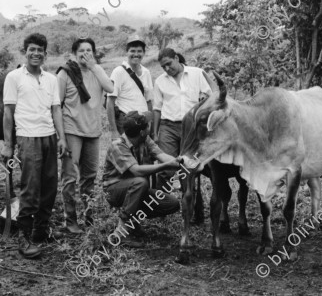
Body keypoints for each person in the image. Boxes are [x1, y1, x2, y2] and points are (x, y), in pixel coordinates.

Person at [1, 33, 68, 259]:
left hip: (49, 135)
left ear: (45, 53)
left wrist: (62, 138)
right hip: (27, 137)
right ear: (25, 51)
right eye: (32, 49)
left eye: (40, 50)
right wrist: (8, 145)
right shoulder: (14, 77)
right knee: (30, 187)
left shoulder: (51, 79)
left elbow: (56, 109)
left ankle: (41, 230)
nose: (36, 53)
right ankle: (24, 236)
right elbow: (8, 112)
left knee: (49, 186)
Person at [57, 37, 114, 234]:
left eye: (89, 50)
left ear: (94, 53)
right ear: (74, 54)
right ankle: (70, 220)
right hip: (72, 130)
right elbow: (56, 105)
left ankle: (89, 217)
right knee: (70, 177)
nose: (85, 54)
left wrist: (95, 67)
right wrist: (60, 137)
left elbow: (110, 88)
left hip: (93, 131)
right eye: (81, 51)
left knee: (90, 177)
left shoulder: (98, 73)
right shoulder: (66, 74)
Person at [103, 111, 182, 245]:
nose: (149, 127)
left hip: (136, 189)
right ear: (142, 132)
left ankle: (132, 223)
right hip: (114, 191)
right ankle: (122, 230)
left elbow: (162, 156)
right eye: (147, 126)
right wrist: (166, 166)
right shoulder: (117, 145)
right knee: (140, 182)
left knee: (171, 203)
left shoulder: (145, 140)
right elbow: (137, 171)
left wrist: (181, 162)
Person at [152, 48, 213, 190]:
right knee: (166, 167)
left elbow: (210, 97)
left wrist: (204, 100)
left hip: (192, 127)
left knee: (189, 167)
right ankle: (161, 205)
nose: (167, 69)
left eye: (169, 64)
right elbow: (157, 108)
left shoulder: (197, 73)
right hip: (168, 127)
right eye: (163, 67)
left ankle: (189, 200)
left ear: (176, 58)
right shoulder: (160, 81)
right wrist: (155, 133)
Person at [107, 35, 153, 140]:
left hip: (143, 121)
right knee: (126, 154)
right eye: (132, 51)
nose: (136, 54)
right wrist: (114, 131)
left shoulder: (146, 72)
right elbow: (110, 102)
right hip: (125, 122)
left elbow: (149, 101)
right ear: (127, 52)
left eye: (139, 51)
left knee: (143, 155)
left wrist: (149, 123)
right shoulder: (118, 72)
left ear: (144, 53)